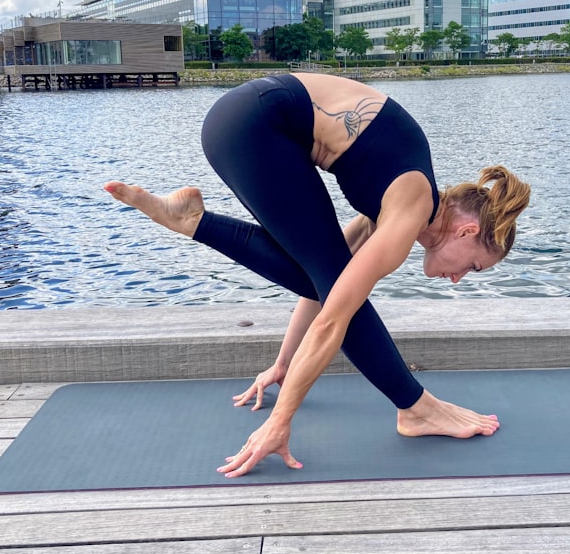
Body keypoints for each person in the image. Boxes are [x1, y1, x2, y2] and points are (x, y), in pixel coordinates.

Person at [105, 72, 531, 478]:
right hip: (257, 124)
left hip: (240, 119)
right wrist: (279, 420)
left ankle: (194, 221)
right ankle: (416, 408)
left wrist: (284, 364)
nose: (459, 279)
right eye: (473, 266)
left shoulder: (397, 201)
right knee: (340, 290)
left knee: (332, 276)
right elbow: (333, 317)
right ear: (467, 230)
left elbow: (323, 282)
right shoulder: (410, 206)